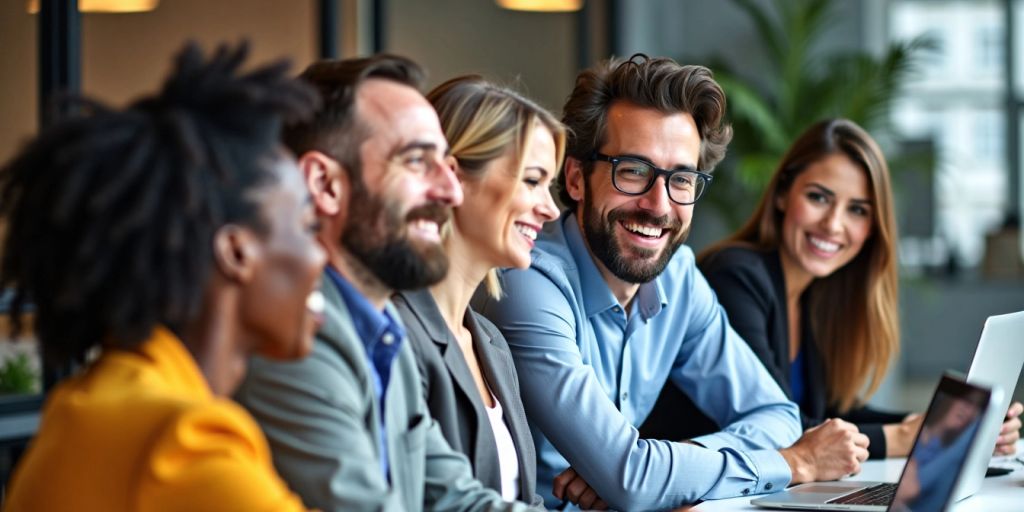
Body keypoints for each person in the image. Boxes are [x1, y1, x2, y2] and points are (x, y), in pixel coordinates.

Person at [473, 54, 868, 511]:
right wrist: (793, 464)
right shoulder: (527, 282)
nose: (658, 205)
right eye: (634, 171)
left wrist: (676, 466)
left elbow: (776, 415)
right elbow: (632, 478)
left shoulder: (678, 277)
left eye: (681, 179)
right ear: (578, 178)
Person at [1, 42, 324, 511]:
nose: (321, 256)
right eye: (307, 226)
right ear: (236, 252)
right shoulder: (186, 446)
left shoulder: (85, 404)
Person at [234, 56, 543, 511]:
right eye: (417, 161)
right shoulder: (291, 339)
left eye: (447, 164)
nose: (451, 191)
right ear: (325, 184)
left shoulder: (380, 331)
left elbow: (459, 500)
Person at [641, 118, 1022, 459]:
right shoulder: (735, 275)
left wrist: (952, 425)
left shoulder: (815, 295)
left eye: (857, 209)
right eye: (819, 197)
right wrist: (909, 437)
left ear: (873, 227)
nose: (833, 225)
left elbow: (836, 416)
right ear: (781, 195)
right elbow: (781, 427)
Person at [391, 76, 563, 505]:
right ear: (455, 177)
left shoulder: (490, 342)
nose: (551, 208)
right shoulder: (393, 332)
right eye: (532, 180)